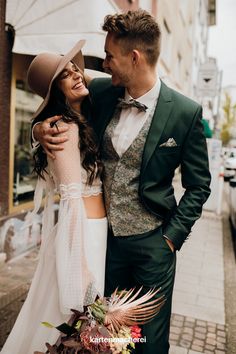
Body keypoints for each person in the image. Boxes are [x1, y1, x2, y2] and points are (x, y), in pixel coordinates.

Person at [33, 9, 211, 354]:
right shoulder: (101, 92)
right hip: (104, 245)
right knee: (105, 337)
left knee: (149, 342)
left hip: (153, 246)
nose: (105, 63)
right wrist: (37, 130)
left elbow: (199, 185)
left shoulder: (185, 113)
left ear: (134, 57)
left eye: (109, 56)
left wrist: (171, 239)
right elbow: (55, 93)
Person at [1, 40, 107, 354]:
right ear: (54, 91)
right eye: (66, 75)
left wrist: (36, 128)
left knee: (65, 319)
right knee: (67, 320)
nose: (78, 76)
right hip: (82, 233)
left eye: (77, 70)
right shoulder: (63, 129)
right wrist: (82, 268)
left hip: (94, 231)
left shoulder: (75, 122)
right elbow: (72, 199)